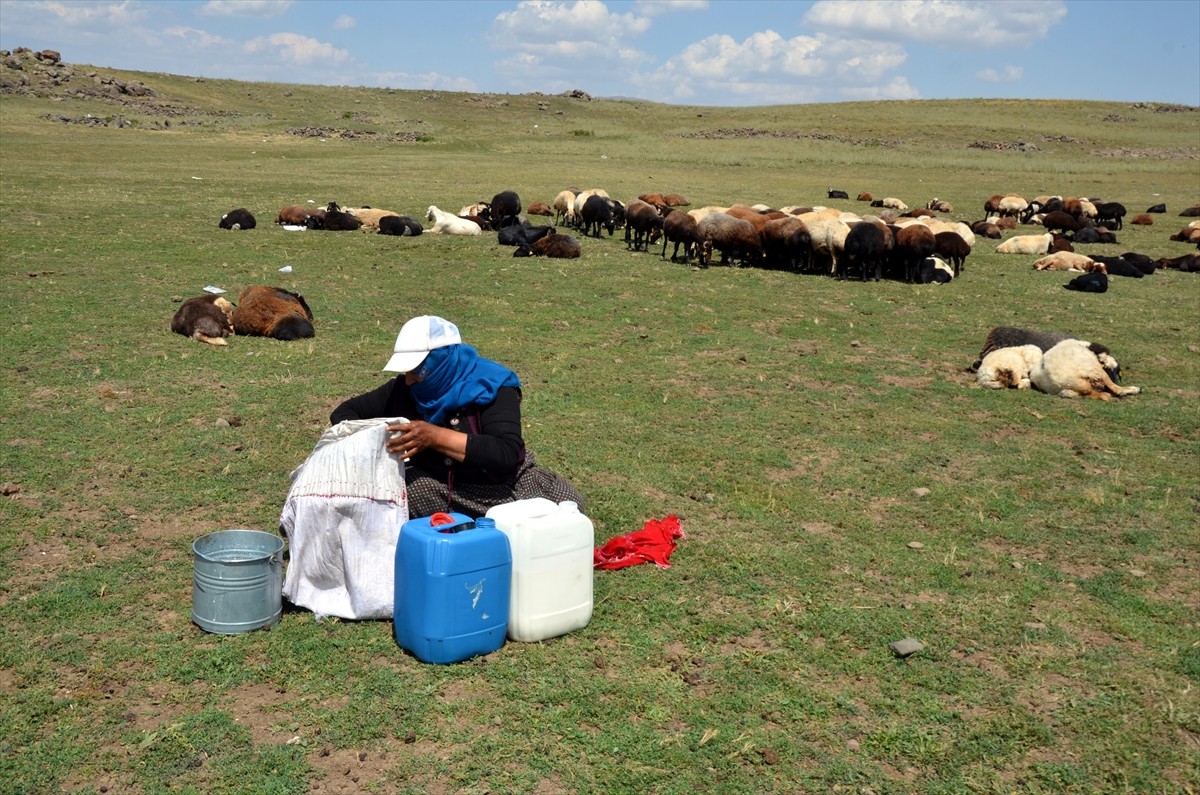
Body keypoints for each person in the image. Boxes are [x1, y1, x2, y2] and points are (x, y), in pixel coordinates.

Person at [330, 315, 585, 518]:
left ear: (441, 361)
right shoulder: (403, 389)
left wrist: (434, 437)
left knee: (567, 504)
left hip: (504, 487)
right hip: (443, 489)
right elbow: (344, 414)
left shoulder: (492, 385)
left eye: (416, 370)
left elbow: (505, 454)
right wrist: (385, 437)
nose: (408, 380)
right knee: (408, 494)